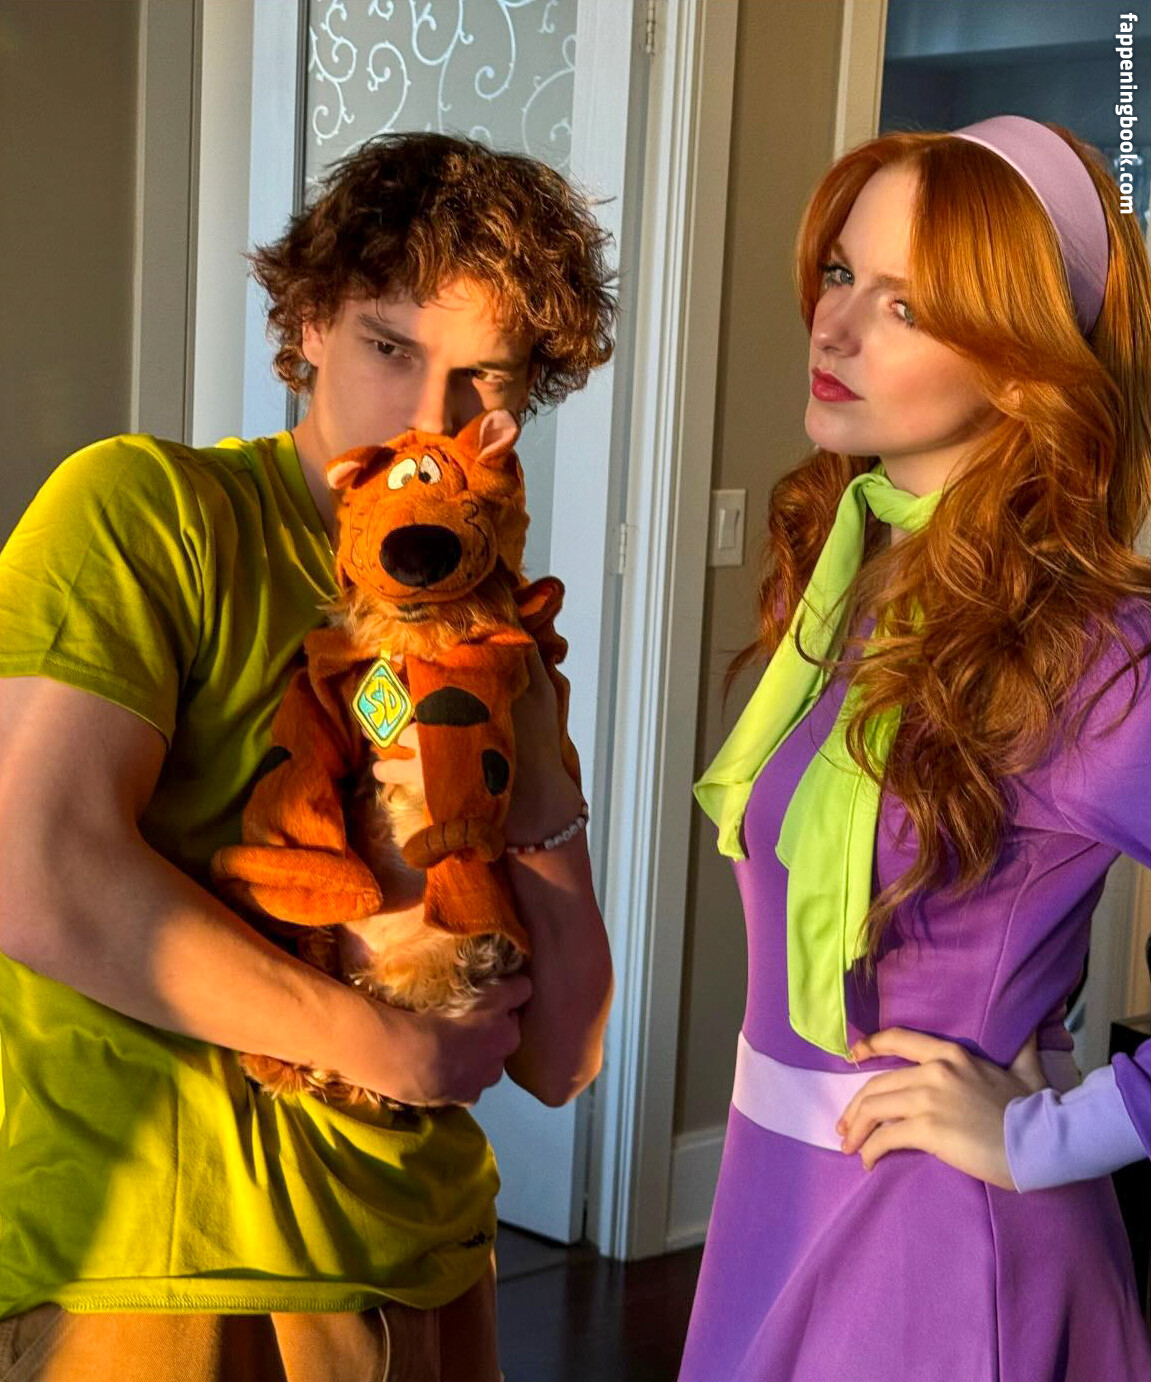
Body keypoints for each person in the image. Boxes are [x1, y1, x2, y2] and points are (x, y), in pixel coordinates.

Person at [0, 132, 615, 1381]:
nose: (429, 415)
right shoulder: (148, 510)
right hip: (163, 1263)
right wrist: (384, 1044)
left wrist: (536, 754)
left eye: (482, 378)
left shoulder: (490, 630)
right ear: (310, 322)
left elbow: (561, 1056)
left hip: (427, 1256)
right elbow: (37, 871)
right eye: (392, 347)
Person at [684, 116, 1151, 1380]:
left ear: (1018, 365)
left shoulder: (1089, 644)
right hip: (778, 1188)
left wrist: (1058, 1133)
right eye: (840, 273)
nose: (832, 327)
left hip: (940, 1235)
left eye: (904, 305)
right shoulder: (855, 565)